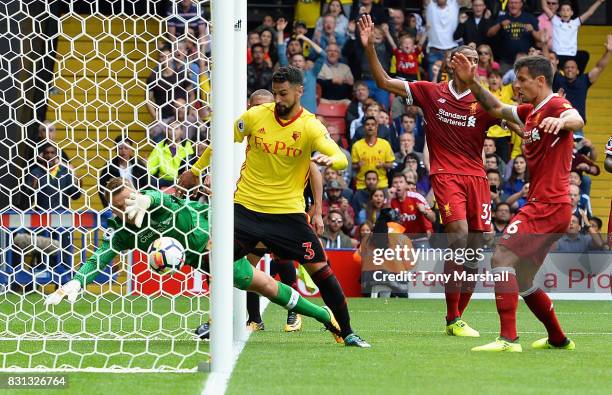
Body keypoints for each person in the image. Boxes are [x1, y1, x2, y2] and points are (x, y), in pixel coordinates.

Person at [177, 66, 370, 347]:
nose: (278, 100)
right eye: (275, 93)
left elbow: (338, 156)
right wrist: (196, 169)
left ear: (299, 91)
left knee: (322, 271)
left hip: (287, 216)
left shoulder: (310, 126)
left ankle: (347, 331)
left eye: (283, 94)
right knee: (212, 262)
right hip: (245, 210)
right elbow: (220, 139)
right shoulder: (255, 116)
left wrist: (334, 162)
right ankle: (218, 323)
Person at [44, 178, 342, 342]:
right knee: (263, 285)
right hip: (208, 259)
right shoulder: (123, 232)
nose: (132, 205)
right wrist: (76, 281)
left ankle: (316, 300)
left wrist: (148, 198)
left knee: (276, 262)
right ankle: (319, 314)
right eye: (123, 205)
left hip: (223, 232)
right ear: (114, 211)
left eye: (133, 198)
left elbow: (160, 199)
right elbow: (100, 256)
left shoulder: (153, 203)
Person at [360, 14, 502, 337]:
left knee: (475, 254)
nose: (474, 65)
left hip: (478, 179)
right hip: (446, 175)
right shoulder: (429, 92)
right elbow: (383, 82)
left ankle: (457, 318)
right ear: (453, 63)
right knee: (459, 240)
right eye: (469, 59)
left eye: (478, 61)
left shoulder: (483, 102)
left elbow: (511, 117)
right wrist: (371, 49)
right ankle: (452, 319)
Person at [452, 52, 585, 352]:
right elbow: (496, 107)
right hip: (549, 206)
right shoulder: (531, 111)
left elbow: (576, 118)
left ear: (540, 81)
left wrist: (561, 120)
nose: (517, 86)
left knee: (500, 258)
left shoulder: (553, 105)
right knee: (523, 278)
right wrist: (471, 81)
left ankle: (508, 339)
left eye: (522, 80)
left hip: (548, 205)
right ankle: (558, 338)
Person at [553, 35, 612, 126]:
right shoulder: (558, 79)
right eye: (567, 67)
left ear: (577, 71)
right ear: (563, 70)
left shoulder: (584, 80)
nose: (569, 69)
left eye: (572, 67)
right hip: (559, 123)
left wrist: (608, 51)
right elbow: (550, 64)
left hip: (577, 125)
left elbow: (599, 67)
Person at [540, 0, 605, 73]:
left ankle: (577, 76)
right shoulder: (555, 20)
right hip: (558, 55)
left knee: (585, 55)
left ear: (572, 13)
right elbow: (544, 7)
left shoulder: (575, 23)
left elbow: (589, 13)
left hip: (572, 56)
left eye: (568, 10)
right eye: (563, 10)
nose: (565, 12)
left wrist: (599, 2)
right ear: (559, 13)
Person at [486, 0, 542, 72]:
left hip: (526, 61)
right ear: (508, 5)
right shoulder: (502, 18)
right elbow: (489, 34)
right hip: (506, 62)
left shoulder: (530, 18)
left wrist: (532, 31)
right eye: (511, 3)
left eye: (516, 3)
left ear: (521, 4)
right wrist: (499, 25)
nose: (513, 5)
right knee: (504, 82)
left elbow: (540, 39)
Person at [99, 136, 152, 207]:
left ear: (131, 149)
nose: (123, 151)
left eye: (126, 148)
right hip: (117, 203)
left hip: (137, 201)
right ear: (115, 149)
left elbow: (147, 185)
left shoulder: (139, 165)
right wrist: (108, 206)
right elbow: (102, 188)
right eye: (120, 148)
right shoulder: (109, 167)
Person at [389, 173, 435, 246]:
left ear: (406, 185)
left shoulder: (417, 198)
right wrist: (388, 199)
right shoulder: (389, 200)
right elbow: (383, 222)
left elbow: (433, 219)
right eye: (395, 182)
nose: (398, 185)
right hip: (400, 242)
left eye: (401, 182)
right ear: (392, 186)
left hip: (420, 239)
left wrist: (424, 211)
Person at [351, 115, 395, 190]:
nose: (370, 127)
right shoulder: (356, 145)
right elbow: (353, 166)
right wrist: (358, 165)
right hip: (362, 185)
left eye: (372, 125)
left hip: (381, 184)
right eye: (367, 124)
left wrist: (383, 164)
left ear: (376, 127)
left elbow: (391, 165)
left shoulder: (385, 144)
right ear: (364, 127)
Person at [147, 121, 194, 188]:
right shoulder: (160, 146)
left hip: (180, 179)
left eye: (176, 129)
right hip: (163, 179)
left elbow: (190, 165)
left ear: (181, 131)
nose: (173, 131)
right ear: (166, 131)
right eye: (170, 129)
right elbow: (151, 166)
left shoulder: (187, 145)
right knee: (150, 181)